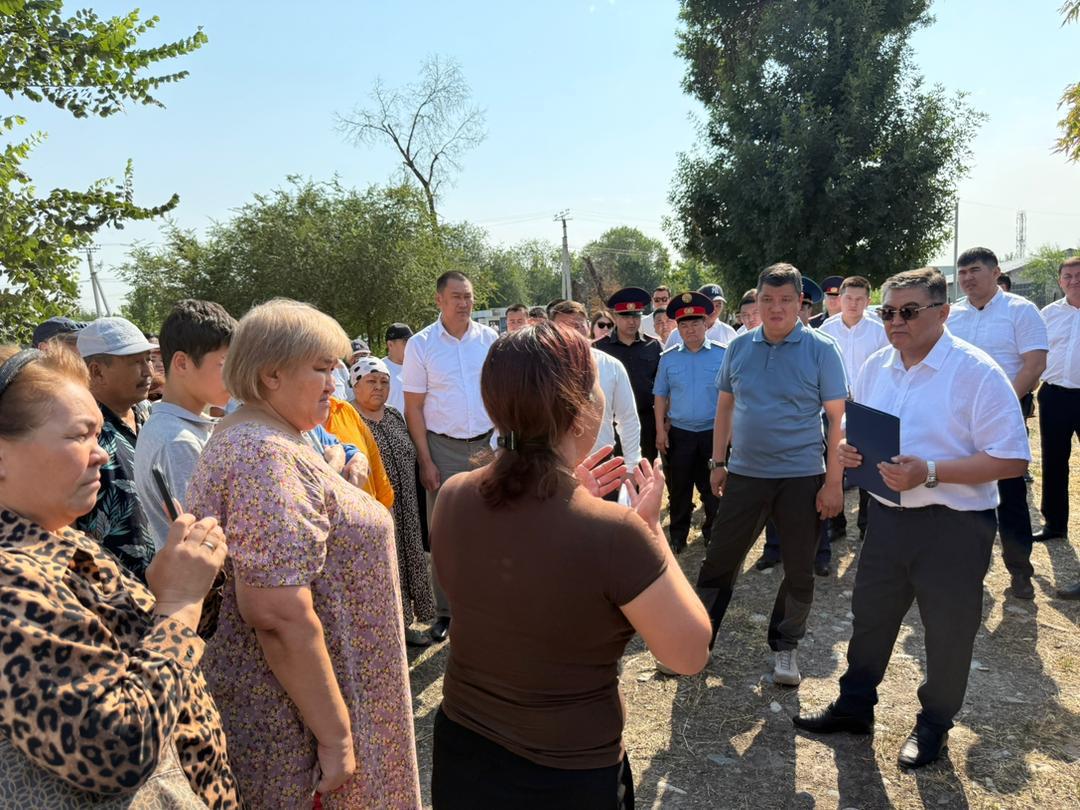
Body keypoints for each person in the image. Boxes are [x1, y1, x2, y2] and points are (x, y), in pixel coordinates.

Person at [429, 322, 711, 809]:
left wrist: (570, 497)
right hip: (565, 773)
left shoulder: (454, 494)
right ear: (580, 410)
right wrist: (649, 532)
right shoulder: (615, 533)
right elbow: (689, 653)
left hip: (462, 752)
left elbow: (497, 592)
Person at [186, 298, 422, 807]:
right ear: (271, 373)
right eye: (321, 369)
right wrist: (336, 738)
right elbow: (276, 614)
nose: (334, 384)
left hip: (319, 702)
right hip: (301, 728)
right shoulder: (263, 455)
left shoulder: (263, 438)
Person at [794, 267, 1030, 768]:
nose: (895, 321)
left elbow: (1012, 458)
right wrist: (847, 449)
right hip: (886, 518)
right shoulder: (877, 365)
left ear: (942, 313)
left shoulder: (976, 372)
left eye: (908, 311)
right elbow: (855, 426)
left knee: (947, 632)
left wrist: (931, 473)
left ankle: (934, 726)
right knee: (871, 618)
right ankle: (854, 707)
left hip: (955, 526)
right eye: (888, 312)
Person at [0, 344, 241, 805]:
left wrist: (180, 585)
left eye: (99, 435)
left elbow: (140, 648)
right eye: (79, 436)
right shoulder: (9, 578)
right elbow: (119, 749)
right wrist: (179, 605)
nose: (101, 456)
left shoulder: (60, 537)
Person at [696, 263, 847, 687]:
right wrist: (718, 462)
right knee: (719, 561)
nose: (775, 308)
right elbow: (725, 407)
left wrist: (834, 483)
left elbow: (838, 420)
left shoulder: (822, 349)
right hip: (745, 474)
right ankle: (697, 640)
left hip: (802, 477)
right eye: (767, 299)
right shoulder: (739, 347)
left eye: (785, 300)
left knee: (799, 568)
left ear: (800, 303)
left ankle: (785, 646)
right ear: (757, 301)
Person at [403, 270, 499, 642]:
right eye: (456, 296)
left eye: (468, 296)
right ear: (439, 300)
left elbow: (500, 393)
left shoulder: (489, 340)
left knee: (491, 527)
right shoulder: (421, 345)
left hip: (487, 446)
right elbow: (414, 407)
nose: (464, 303)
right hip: (442, 448)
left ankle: (489, 604)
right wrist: (426, 460)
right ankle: (446, 612)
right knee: (444, 532)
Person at [947, 246, 1048, 599]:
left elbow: (1034, 364)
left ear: (995, 272)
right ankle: (965, 567)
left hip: (1003, 415)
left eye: (974, 270)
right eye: (962, 272)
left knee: (1010, 494)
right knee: (961, 488)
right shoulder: (952, 315)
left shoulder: (1021, 311)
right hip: (959, 416)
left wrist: (1002, 406)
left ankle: (1019, 570)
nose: (967, 278)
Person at [135, 299, 236, 550]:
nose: (234, 376)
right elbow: (205, 537)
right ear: (181, 363)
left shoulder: (177, 427)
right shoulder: (176, 441)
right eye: (225, 364)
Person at [352, 356, 437, 646]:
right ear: (355, 384)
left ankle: (406, 623)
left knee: (410, 562)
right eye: (371, 381)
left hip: (407, 506)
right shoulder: (349, 419)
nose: (379, 387)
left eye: (384, 381)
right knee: (385, 566)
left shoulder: (394, 415)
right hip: (376, 510)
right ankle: (387, 629)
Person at [75, 316, 158, 580]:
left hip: (166, 580)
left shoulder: (149, 414)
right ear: (97, 371)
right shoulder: (81, 431)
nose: (148, 371)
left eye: (148, 359)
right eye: (136, 362)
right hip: (112, 589)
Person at [654, 292, 726, 555]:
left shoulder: (722, 355)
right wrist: (660, 431)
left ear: (705, 324)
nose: (690, 330)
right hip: (681, 433)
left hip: (712, 433)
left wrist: (730, 433)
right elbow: (660, 395)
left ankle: (714, 533)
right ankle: (678, 534)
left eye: (695, 323)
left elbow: (732, 398)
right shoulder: (669, 358)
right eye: (684, 325)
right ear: (678, 328)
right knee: (679, 488)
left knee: (713, 488)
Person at [819, 276, 888, 540]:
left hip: (868, 406)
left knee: (867, 465)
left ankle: (866, 525)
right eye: (848, 298)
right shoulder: (827, 329)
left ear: (868, 301)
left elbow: (886, 368)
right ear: (840, 298)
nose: (853, 304)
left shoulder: (879, 331)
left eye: (860, 299)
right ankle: (835, 523)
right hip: (833, 408)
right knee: (834, 463)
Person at [552, 300, 641, 500]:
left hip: (602, 465)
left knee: (603, 519)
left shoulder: (611, 366)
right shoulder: (543, 369)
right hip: (556, 466)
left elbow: (628, 419)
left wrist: (631, 466)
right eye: (565, 326)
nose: (573, 332)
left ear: (588, 327)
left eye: (578, 325)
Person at [1037, 257, 1080, 598]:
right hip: (1054, 395)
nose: (1073, 280)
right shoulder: (1048, 314)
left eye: (1079, 275)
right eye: (1068, 276)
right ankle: (1054, 523)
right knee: (1053, 461)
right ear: (1060, 280)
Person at [594, 287, 663, 463]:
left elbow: (662, 387)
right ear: (615, 317)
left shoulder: (653, 346)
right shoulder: (599, 347)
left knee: (644, 469)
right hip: (611, 423)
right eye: (625, 317)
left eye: (636, 316)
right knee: (614, 471)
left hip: (646, 421)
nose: (631, 322)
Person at [323, 391, 395, 509]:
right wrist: (336, 462)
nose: (331, 386)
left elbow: (376, 466)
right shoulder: (296, 431)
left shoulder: (344, 410)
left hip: (371, 514)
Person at [663, 284, 738, 348]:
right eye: (711, 304)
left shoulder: (729, 332)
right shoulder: (676, 334)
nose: (714, 310)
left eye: (718, 305)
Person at [383, 322, 414, 414]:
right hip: (389, 422)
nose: (410, 346)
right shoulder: (379, 369)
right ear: (390, 345)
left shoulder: (418, 367)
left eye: (411, 342)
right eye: (405, 342)